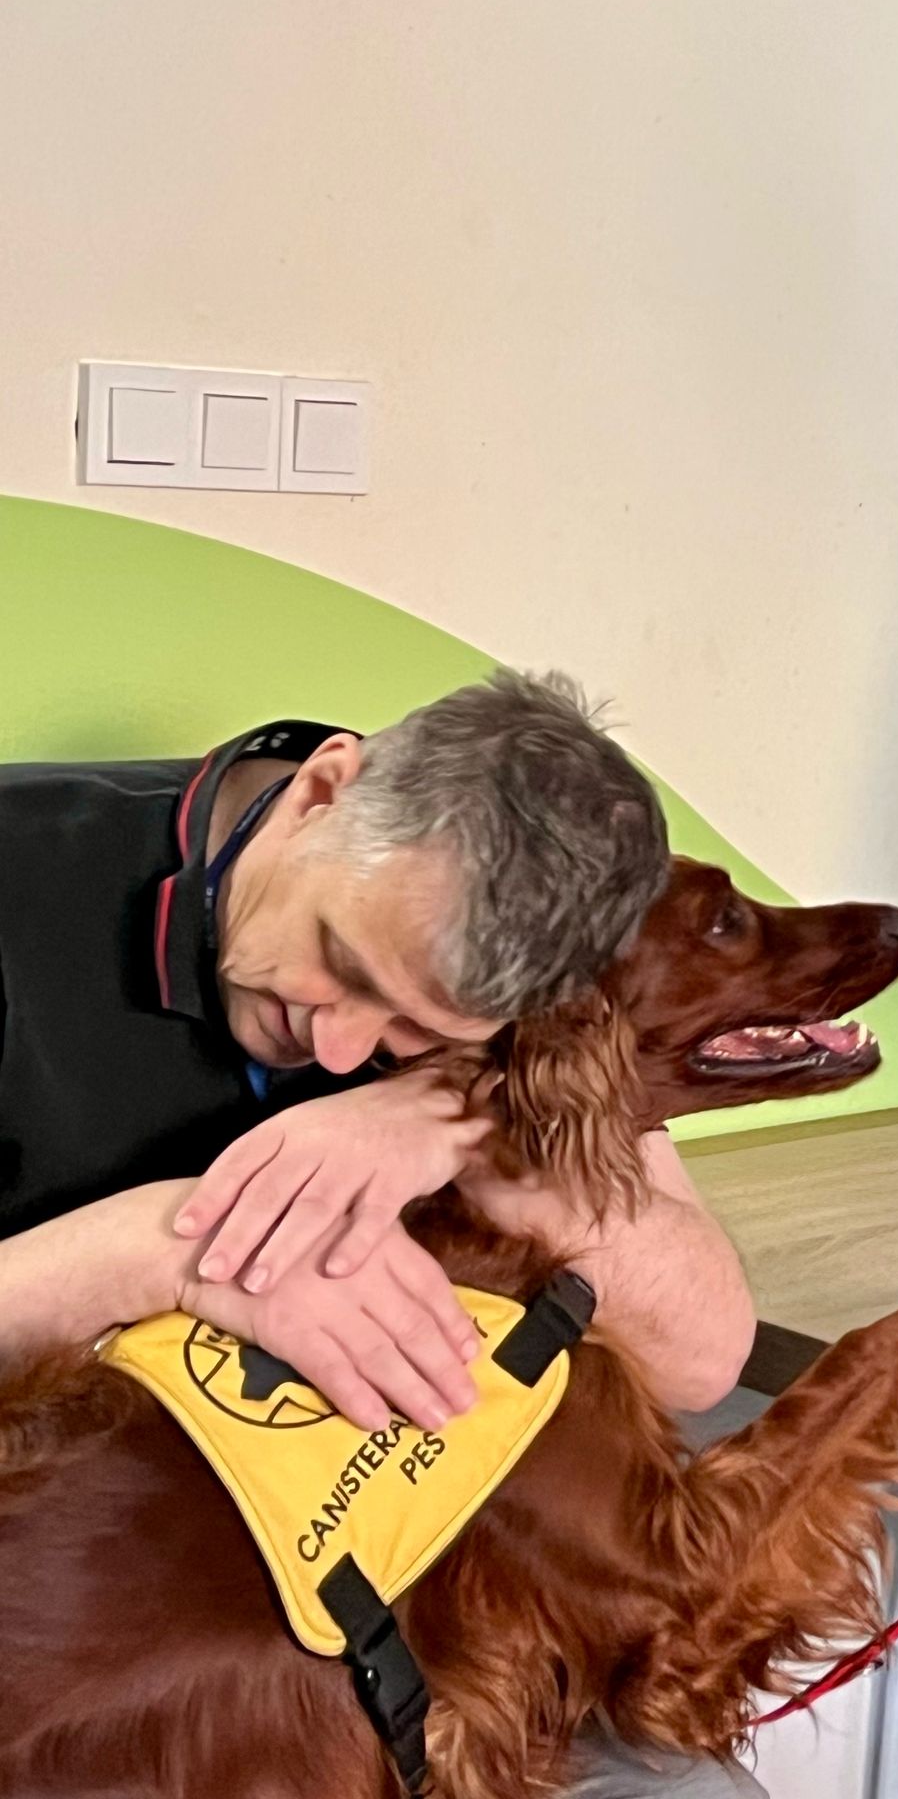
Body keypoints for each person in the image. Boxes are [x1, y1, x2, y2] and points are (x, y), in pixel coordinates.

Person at [0, 670, 765, 1799]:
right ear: (324, 788)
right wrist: (172, 1249)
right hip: (86, 1655)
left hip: (406, 1635)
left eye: (419, 1026)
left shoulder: (535, 947)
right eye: (345, 966)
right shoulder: (22, 881)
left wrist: (458, 1119)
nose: (345, 1050)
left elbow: (701, 1349)